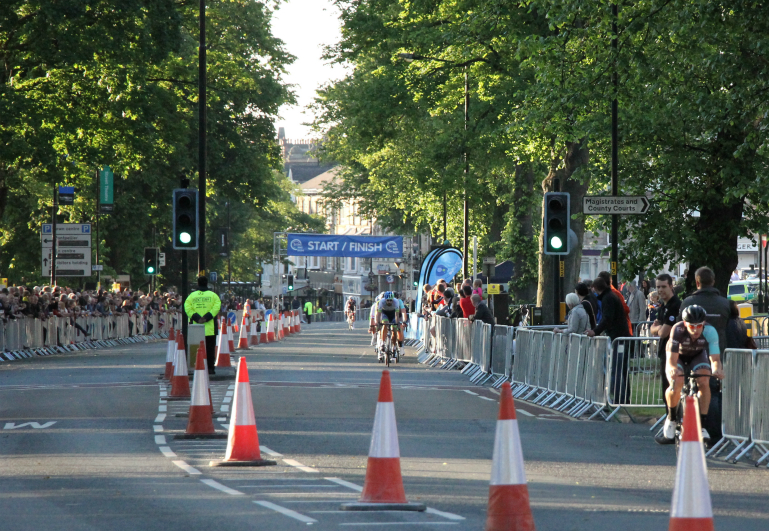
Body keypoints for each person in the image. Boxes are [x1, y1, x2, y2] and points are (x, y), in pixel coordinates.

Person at [658, 305, 724, 443]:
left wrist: (717, 369)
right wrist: (672, 369)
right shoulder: (678, 329)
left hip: (698, 355)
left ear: (704, 324)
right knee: (676, 381)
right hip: (678, 356)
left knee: (704, 381)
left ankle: (702, 424)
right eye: (692, 326)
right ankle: (671, 418)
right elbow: (671, 360)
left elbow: (715, 359)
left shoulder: (710, 331)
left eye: (699, 326)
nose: (695, 330)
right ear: (685, 323)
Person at [587, 277, 632, 404]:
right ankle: (623, 397)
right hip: (619, 335)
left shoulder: (608, 299)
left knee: (617, 369)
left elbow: (607, 319)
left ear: (595, 288)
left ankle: (619, 398)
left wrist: (595, 331)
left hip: (618, 336)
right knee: (620, 369)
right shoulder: (611, 296)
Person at [650, 273, 680, 427]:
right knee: (666, 390)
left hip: (673, 354)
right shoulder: (663, 306)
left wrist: (656, 328)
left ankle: (673, 422)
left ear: (671, 286)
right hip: (664, 353)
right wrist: (657, 328)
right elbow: (654, 328)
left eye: (663, 286)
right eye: (658, 287)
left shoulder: (675, 305)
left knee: (671, 389)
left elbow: (662, 332)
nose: (660, 290)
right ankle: (670, 420)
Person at [677, 267, 730, 353]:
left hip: (693, 352)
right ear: (713, 282)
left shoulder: (688, 302)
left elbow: (679, 326)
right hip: (718, 350)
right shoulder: (725, 303)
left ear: (697, 283)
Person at [183, 276, 221, 375]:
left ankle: (195, 366)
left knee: (195, 348)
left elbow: (187, 308)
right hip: (210, 328)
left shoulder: (192, 296)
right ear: (207, 283)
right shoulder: (213, 296)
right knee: (210, 349)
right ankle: (210, 368)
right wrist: (207, 317)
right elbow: (216, 308)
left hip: (195, 328)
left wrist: (196, 317)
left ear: (198, 283)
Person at [597, 271, 633, 336]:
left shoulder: (611, 294)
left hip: (617, 330)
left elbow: (625, 310)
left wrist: (596, 331)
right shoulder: (613, 293)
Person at [374, 292, 407, 360]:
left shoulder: (396, 302)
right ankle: (382, 343)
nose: (389, 302)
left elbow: (397, 315)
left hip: (393, 314)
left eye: (390, 300)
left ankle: (394, 347)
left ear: (393, 299)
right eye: (388, 300)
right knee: (385, 324)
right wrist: (377, 322)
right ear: (385, 299)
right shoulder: (381, 302)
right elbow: (378, 314)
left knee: (394, 329)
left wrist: (397, 324)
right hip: (384, 313)